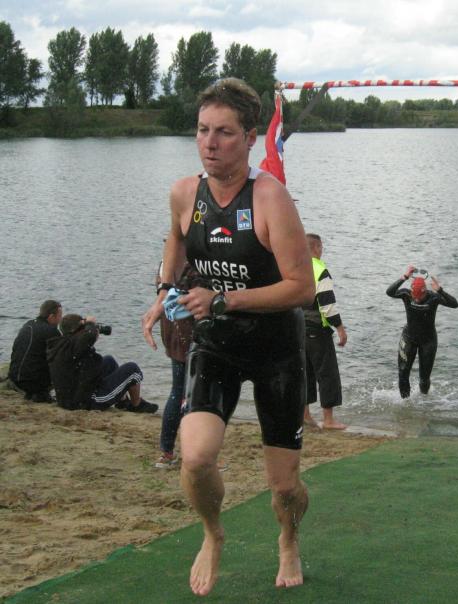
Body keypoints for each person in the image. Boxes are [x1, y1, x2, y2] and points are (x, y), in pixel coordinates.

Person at [140, 78, 315, 596]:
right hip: (216, 343)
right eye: (202, 131)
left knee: (284, 487)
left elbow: (302, 288)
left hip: (276, 350)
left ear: (250, 138)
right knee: (195, 459)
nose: (210, 143)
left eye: (224, 132)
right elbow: (176, 242)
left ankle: (288, 536)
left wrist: (222, 299)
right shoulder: (183, 192)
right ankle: (213, 533)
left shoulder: (269, 198)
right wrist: (164, 292)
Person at [47, 314, 157, 412]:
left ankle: (122, 401)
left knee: (109, 361)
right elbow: (89, 336)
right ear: (77, 331)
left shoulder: (62, 345)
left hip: (68, 398)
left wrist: (88, 328)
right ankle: (136, 404)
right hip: (85, 402)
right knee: (132, 369)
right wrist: (90, 324)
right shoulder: (75, 345)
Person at [386, 266, 458, 398]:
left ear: (425, 292)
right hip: (409, 338)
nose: (417, 299)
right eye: (415, 297)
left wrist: (440, 290)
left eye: (420, 296)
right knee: (403, 374)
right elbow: (389, 292)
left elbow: (455, 304)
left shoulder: (433, 297)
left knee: (424, 379)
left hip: (428, 341)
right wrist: (404, 277)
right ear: (412, 292)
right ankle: (405, 404)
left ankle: (424, 401)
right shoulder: (406, 294)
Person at [303, 233, 347, 430]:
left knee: (305, 372)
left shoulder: (297, 267)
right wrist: (340, 328)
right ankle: (328, 420)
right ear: (316, 248)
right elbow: (327, 305)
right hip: (316, 329)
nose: (322, 251)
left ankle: (305, 415)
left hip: (298, 328)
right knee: (327, 374)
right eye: (321, 247)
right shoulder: (320, 270)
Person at [154, 263, 196, 469]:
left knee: (178, 390)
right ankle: (188, 451)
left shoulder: (166, 264)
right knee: (193, 394)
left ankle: (167, 451)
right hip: (188, 333)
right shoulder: (192, 265)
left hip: (172, 329)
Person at [8, 300, 62, 402]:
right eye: (59, 316)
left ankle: (34, 393)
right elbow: (60, 360)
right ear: (51, 316)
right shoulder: (52, 331)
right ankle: (41, 394)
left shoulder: (28, 324)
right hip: (33, 382)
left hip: (15, 377)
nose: (60, 320)